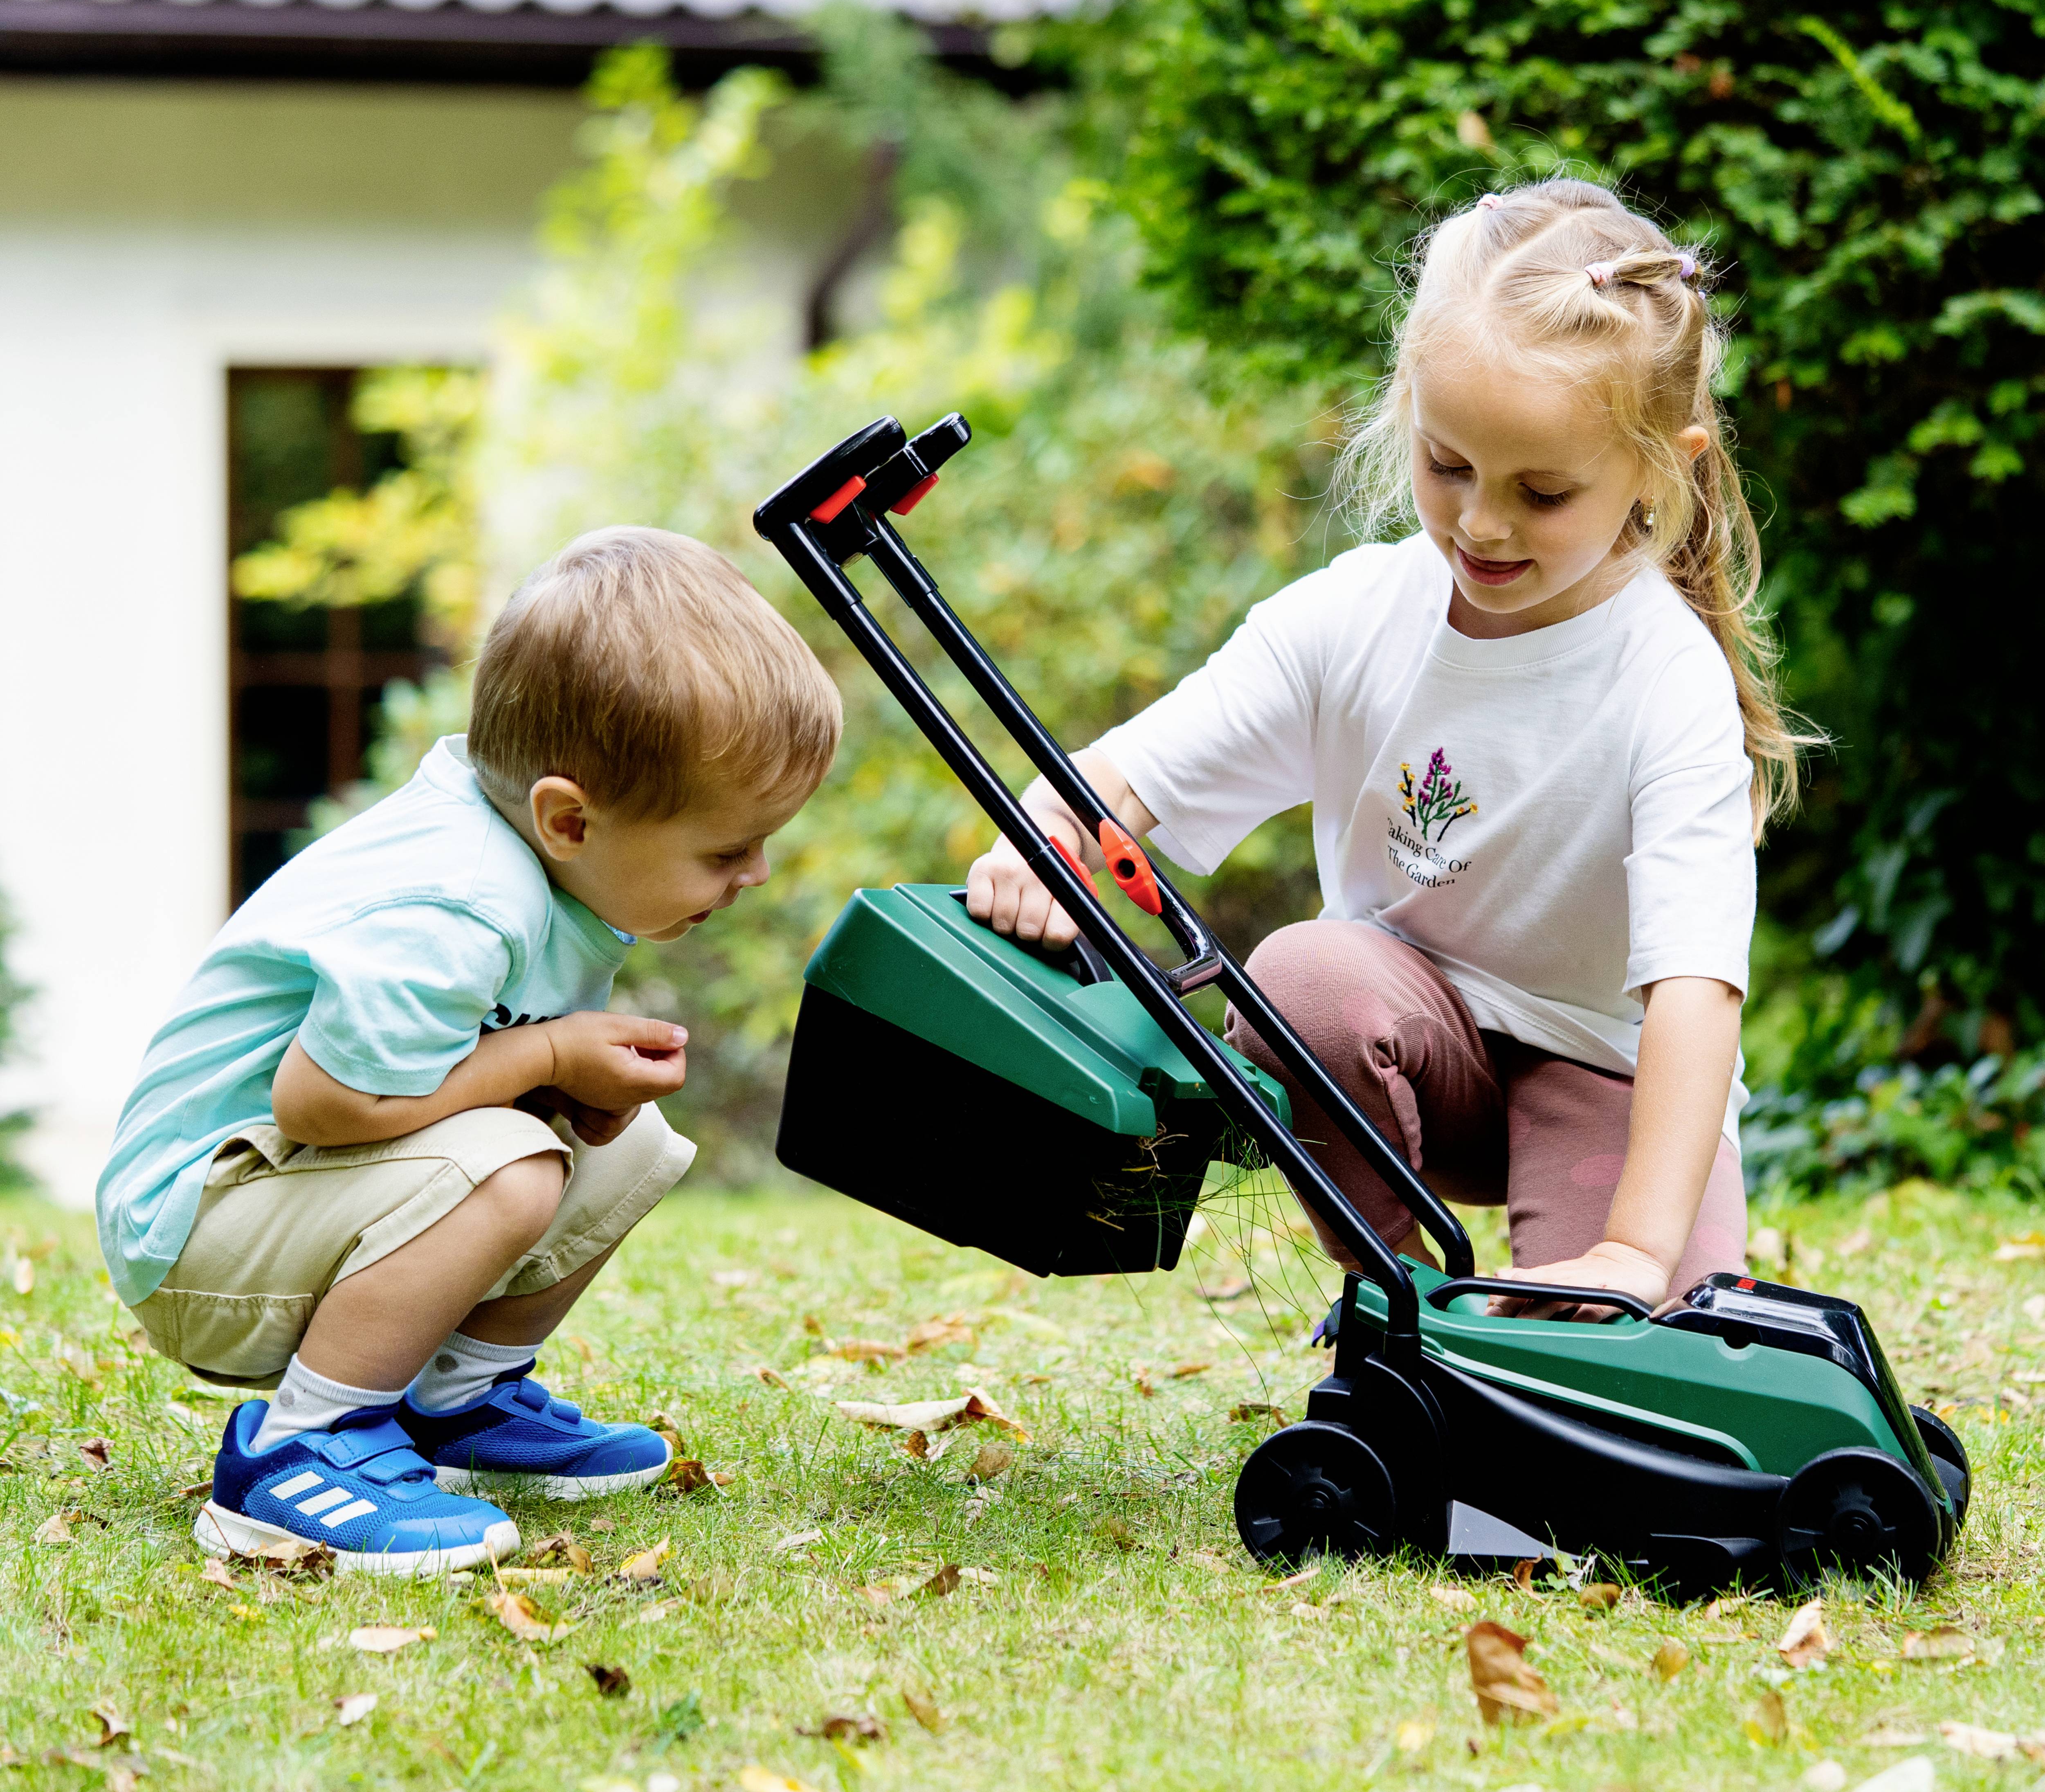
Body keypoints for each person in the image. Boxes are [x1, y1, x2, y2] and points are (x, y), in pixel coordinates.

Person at [969, 178, 1806, 1314]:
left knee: (1631, 1361)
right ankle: (1402, 1303)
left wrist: (1637, 1254)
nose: (1483, 523)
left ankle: (1575, 1298)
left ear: (1664, 464)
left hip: (1612, 1075)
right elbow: (1125, 777)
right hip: (1409, 1050)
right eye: (1449, 466)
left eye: (1544, 491)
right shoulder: (1352, 616)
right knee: (1301, 977)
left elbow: (1696, 991)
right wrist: (1044, 839)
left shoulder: (1666, 681)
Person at [98, 528, 840, 1573]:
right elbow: (323, 1103)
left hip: (290, 1193)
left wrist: (568, 1082)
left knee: (630, 1147)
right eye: (725, 849)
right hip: (195, 1229)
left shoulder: (537, 863)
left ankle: (455, 1405)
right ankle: (297, 1449)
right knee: (514, 1167)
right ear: (570, 819)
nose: (755, 872)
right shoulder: (462, 902)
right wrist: (546, 1059)